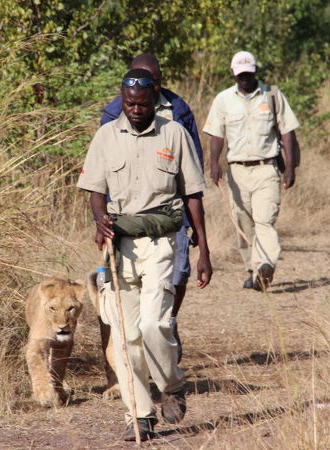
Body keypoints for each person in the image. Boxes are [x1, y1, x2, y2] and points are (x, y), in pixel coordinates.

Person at [77, 68, 212, 441]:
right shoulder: (106, 136)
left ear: (155, 98)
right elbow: (95, 189)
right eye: (128, 103)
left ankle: (171, 385)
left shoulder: (174, 133)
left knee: (155, 325)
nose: (134, 110)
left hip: (162, 242)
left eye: (141, 103)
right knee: (124, 336)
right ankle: (139, 415)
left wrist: (204, 249)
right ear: (121, 99)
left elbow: (193, 195)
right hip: (119, 247)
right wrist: (100, 219)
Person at [101, 53, 203, 362]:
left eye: (156, 81)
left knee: (178, 274)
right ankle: (144, 353)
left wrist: (195, 225)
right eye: (145, 80)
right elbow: (104, 169)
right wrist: (103, 219)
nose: (151, 86)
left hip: (172, 214)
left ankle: (166, 322)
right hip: (127, 219)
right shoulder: (114, 113)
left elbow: (192, 168)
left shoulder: (178, 109)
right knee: (127, 290)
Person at [203, 51, 300, 290]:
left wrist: (290, 167)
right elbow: (217, 135)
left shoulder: (273, 95)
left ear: (255, 71)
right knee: (243, 222)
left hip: (266, 169)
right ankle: (253, 270)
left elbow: (287, 132)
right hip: (237, 171)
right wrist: (214, 164)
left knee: (264, 220)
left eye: (248, 73)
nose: (245, 78)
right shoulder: (223, 99)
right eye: (240, 74)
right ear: (234, 74)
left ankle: (266, 264)